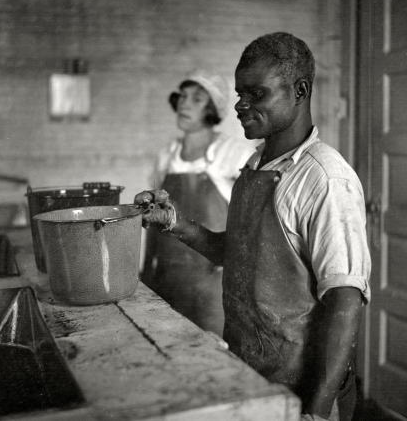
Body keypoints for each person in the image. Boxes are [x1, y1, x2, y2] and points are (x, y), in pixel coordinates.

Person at [135, 33, 371, 421]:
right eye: (240, 93)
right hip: (254, 375)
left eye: (256, 94)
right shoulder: (256, 166)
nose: (241, 106)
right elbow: (241, 252)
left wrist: (316, 410)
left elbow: (345, 300)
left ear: (300, 91)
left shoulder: (325, 179)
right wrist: (175, 222)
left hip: (303, 392)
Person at [142, 69, 253, 337]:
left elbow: (251, 223)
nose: (184, 103)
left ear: (213, 108)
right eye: (183, 96)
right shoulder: (166, 156)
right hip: (168, 279)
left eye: (197, 98)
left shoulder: (235, 153)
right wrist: (146, 273)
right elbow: (154, 220)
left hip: (215, 284)